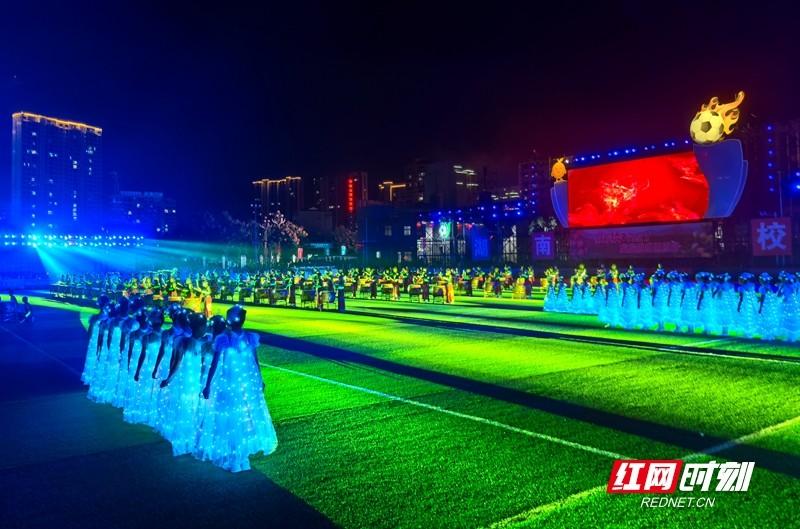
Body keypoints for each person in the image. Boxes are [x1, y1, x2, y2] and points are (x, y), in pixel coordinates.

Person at [195, 305, 277, 472]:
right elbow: (216, 364)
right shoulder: (226, 339)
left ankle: (239, 450)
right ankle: (234, 452)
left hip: (243, 383)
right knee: (234, 415)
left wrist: (260, 380)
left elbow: (254, 360)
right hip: (232, 382)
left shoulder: (248, 338)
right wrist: (208, 385)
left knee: (241, 414)